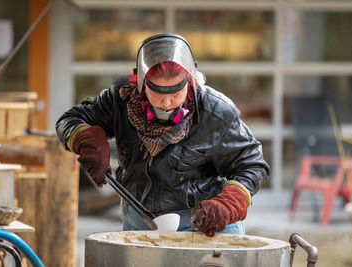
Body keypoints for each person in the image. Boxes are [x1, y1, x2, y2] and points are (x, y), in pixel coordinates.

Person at [56, 33, 269, 237]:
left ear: (190, 81)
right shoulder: (120, 99)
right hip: (140, 221)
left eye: (176, 95)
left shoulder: (216, 112)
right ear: (140, 84)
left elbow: (252, 164)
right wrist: (87, 140)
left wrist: (228, 203)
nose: (167, 104)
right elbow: (70, 119)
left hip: (207, 224)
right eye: (157, 95)